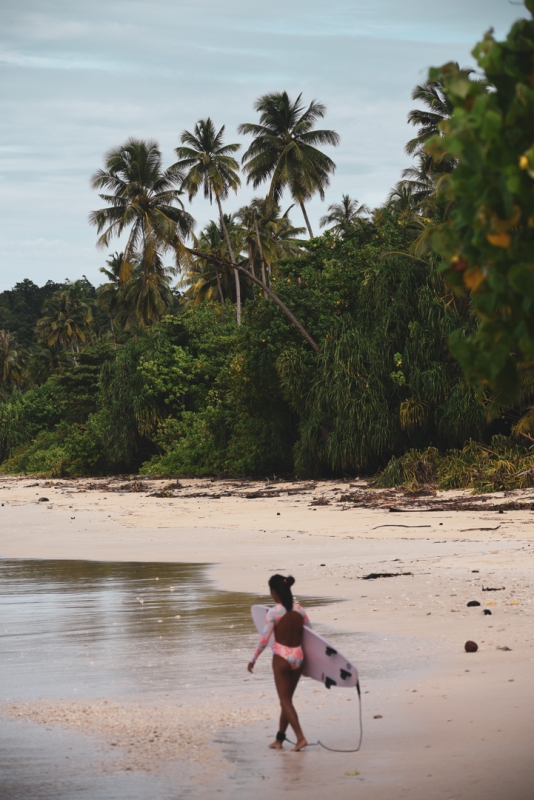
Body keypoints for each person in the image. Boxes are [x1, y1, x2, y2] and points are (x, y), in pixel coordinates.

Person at [248, 574, 310, 751]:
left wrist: (253, 659)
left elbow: (264, 639)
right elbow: (311, 637)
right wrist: (309, 666)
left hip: (282, 658)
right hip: (298, 657)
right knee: (287, 701)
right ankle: (279, 740)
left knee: (284, 701)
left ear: (274, 592)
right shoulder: (300, 610)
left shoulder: (274, 612)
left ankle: (300, 738)